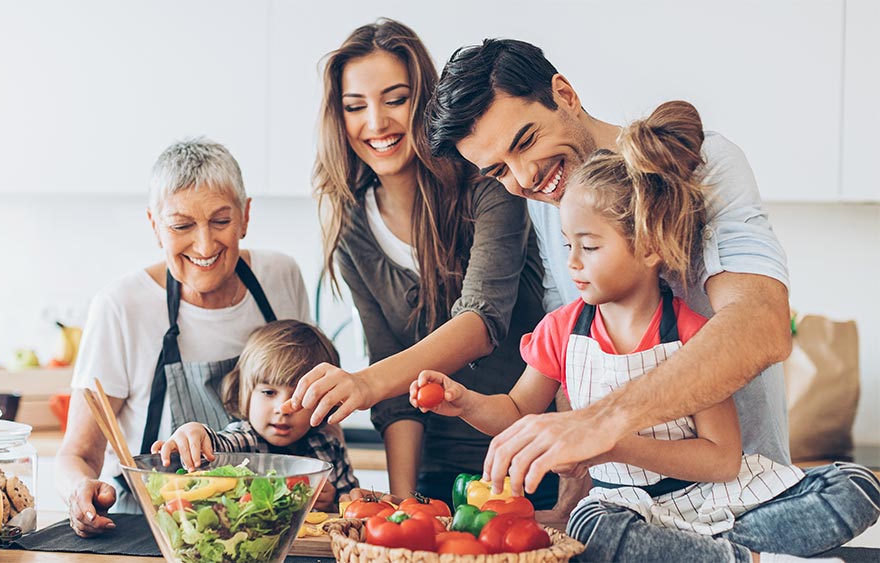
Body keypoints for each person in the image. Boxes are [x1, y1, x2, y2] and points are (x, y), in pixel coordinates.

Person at [414, 101, 880, 561]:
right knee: (592, 526)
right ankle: (742, 558)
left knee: (857, 487)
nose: (572, 262)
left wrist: (611, 439)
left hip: (716, 499)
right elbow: (518, 411)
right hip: (629, 508)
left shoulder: (698, 337)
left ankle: (713, 552)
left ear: (650, 245)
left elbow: (721, 460)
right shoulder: (561, 329)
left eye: (590, 246)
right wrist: (466, 403)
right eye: (567, 245)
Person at [425, 38, 795, 498]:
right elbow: (571, 363)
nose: (524, 179)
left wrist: (602, 424)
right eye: (498, 171)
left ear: (565, 94)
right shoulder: (549, 200)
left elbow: (762, 324)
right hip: (623, 500)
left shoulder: (705, 163)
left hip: (744, 493)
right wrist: (573, 488)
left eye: (525, 141)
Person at [283, 19, 567, 510]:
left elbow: (481, 322)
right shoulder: (352, 226)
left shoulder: (490, 184)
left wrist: (364, 384)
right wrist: (402, 504)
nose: (375, 123)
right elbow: (391, 375)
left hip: (526, 461)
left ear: (426, 102)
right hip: (434, 474)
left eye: (395, 99)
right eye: (355, 107)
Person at [55, 138, 312, 537]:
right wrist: (79, 492)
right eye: (182, 226)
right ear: (155, 226)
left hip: (265, 528)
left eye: (221, 221)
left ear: (245, 216)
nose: (205, 245)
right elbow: (78, 453)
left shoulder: (280, 278)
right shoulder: (121, 306)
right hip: (153, 531)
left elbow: (316, 408)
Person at [152, 319, 359, 512]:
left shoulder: (330, 447)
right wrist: (195, 431)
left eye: (300, 397)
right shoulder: (245, 439)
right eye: (269, 393)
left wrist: (333, 502)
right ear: (245, 394)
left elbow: (351, 504)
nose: (283, 409)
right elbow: (218, 445)